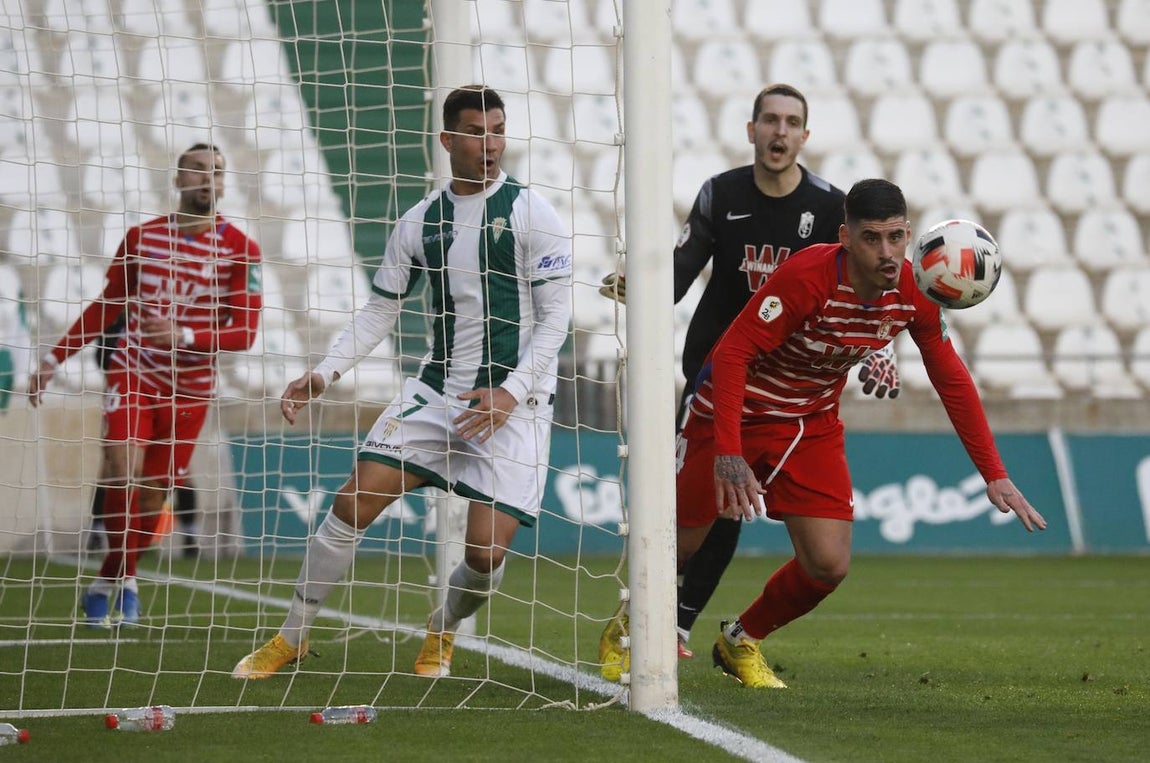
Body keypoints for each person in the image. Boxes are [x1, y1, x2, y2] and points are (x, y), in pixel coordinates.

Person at [621, 178, 1046, 689]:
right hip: (732, 413)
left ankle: (740, 640)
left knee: (828, 565)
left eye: (895, 237)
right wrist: (728, 453)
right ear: (845, 237)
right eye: (872, 238)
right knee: (679, 545)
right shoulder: (807, 277)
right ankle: (628, 633)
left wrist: (994, 475)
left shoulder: (918, 288)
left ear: (909, 234)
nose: (887, 253)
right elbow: (732, 354)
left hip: (809, 423)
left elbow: (950, 376)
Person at [231, 85, 573, 680]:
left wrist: (511, 395)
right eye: (475, 131)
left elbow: (555, 322)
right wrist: (324, 371)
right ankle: (291, 637)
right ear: (447, 140)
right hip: (439, 395)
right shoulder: (419, 222)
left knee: (485, 556)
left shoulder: (531, 213)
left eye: (497, 130)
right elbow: (379, 311)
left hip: (515, 403)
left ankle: (443, 628)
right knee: (350, 502)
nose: (489, 144)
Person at [598, 84, 899, 678]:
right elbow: (683, 272)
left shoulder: (831, 209)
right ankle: (637, 622)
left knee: (738, 513)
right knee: (695, 523)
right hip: (717, 373)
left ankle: (683, 629)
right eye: (769, 120)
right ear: (752, 129)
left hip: (790, 395)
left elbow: (859, 297)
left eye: (791, 122)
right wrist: (644, 291)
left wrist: (877, 352)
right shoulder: (721, 194)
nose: (779, 132)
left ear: (804, 137)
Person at [28, 143, 262, 627]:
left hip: (191, 389)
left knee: (154, 498)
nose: (207, 179)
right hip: (134, 370)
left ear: (224, 184)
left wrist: (186, 335)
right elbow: (107, 304)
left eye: (216, 172)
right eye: (197, 170)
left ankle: (113, 579)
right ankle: (122, 578)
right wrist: (53, 358)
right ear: (177, 181)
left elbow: (246, 332)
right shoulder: (142, 238)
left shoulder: (241, 249)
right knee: (121, 466)